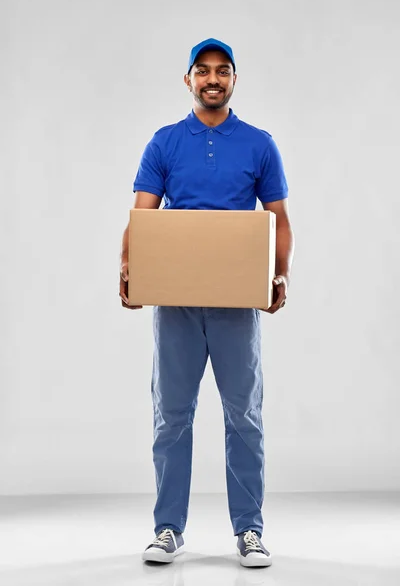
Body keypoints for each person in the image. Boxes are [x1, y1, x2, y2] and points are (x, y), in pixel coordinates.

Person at [119, 38, 294, 568]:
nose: (212, 79)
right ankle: (167, 528)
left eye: (223, 71)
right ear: (189, 80)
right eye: (203, 71)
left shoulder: (259, 144)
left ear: (234, 80)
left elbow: (279, 220)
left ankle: (250, 531)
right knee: (171, 416)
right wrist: (129, 269)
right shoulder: (166, 142)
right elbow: (141, 216)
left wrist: (279, 274)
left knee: (244, 415)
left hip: (235, 303)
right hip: (176, 301)